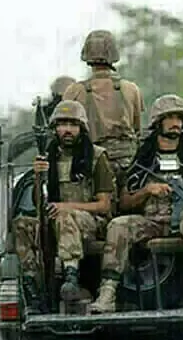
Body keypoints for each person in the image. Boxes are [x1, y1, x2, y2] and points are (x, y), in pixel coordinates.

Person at [88, 94, 183, 314]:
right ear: (158, 123)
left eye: (179, 118)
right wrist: (147, 190)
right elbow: (125, 202)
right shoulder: (143, 158)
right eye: (170, 118)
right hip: (151, 222)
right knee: (118, 225)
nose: (176, 123)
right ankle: (107, 294)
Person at [12, 100, 116, 315]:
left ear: (81, 128)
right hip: (55, 221)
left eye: (73, 124)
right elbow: (39, 204)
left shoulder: (96, 157)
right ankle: (34, 289)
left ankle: (71, 275)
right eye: (62, 124)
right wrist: (39, 176)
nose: (67, 130)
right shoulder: (48, 157)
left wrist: (65, 207)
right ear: (55, 129)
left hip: (91, 223)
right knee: (21, 224)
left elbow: (104, 205)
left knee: (64, 215)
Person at [62, 30, 145, 180]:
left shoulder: (74, 91)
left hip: (91, 164)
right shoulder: (131, 89)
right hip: (128, 164)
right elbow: (137, 128)